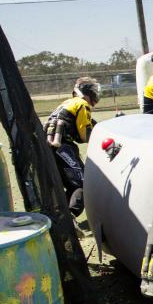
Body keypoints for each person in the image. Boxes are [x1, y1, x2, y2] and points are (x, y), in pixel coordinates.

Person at [43, 76, 100, 218]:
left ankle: (63, 215)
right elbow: (84, 135)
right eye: (93, 91)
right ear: (86, 92)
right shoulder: (82, 104)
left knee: (68, 184)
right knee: (82, 183)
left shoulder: (68, 103)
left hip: (48, 147)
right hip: (61, 146)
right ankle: (71, 217)